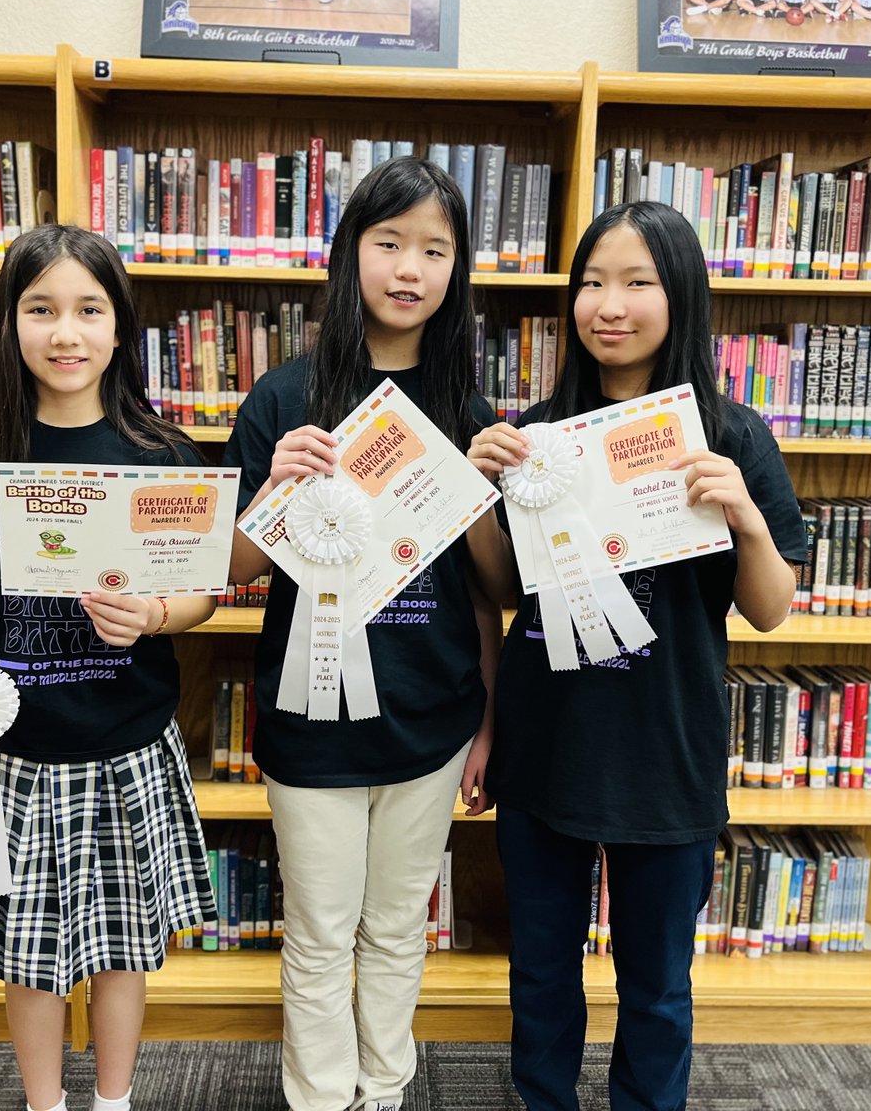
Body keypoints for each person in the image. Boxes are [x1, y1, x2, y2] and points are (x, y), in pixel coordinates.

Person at [467, 200, 805, 1111]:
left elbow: (770, 612)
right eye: (591, 283)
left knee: (657, 988)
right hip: (549, 747)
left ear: (680, 295)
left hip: (667, 753)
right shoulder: (537, 437)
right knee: (542, 974)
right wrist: (475, 494)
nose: (607, 305)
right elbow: (505, 592)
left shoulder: (731, 437)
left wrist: (744, 516)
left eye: (637, 283)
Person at [0, 225, 218, 1111]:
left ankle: (112, 1100)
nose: (66, 333)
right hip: (13, 756)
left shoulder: (159, 455)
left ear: (121, 329)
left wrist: (157, 613)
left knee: (123, 946)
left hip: (125, 744)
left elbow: (198, 591)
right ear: (8, 327)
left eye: (89, 309)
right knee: (25, 955)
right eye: (40, 310)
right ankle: (46, 1105)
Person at [224, 155, 502, 1111]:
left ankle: (383, 1092)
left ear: (457, 269)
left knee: (394, 928)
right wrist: (272, 495)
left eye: (434, 249)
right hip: (311, 722)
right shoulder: (283, 397)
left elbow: (491, 590)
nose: (409, 269)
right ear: (351, 256)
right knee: (318, 930)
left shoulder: (468, 406)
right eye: (389, 244)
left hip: (434, 716)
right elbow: (231, 571)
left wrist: (488, 722)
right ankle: (319, 1096)